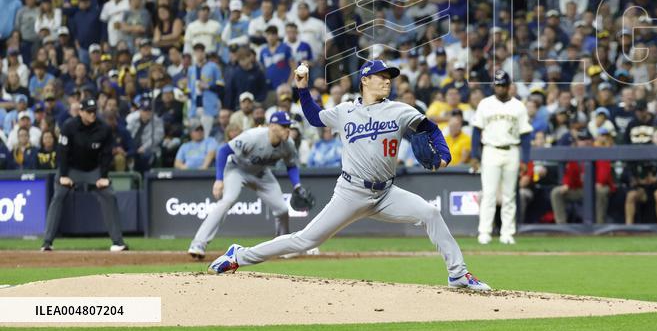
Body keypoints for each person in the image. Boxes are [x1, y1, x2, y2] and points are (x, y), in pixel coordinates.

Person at [207, 59, 491, 292]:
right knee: (306, 240)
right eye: (381, 76)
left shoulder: (400, 110)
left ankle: (458, 274)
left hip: (386, 193)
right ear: (365, 80)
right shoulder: (345, 111)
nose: (387, 81)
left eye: (389, 77)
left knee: (430, 213)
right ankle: (239, 255)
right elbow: (315, 117)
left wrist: (444, 155)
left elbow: (430, 128)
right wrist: (302, 89)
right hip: (351, 192)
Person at [188, 111, 303, 259]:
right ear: (272, 126)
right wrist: (219, 179)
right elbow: (223, 151)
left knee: (282, 209)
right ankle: (198, 243)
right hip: (237, 169)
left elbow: (291, 166)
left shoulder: (288, 144)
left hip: (261, 172)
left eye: (289, 126)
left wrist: (297, 185)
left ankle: (283, 246)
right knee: (227, 201)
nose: (288, 130)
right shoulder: (253, 136)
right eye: (284, 126)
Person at [41, 98, 128, 252]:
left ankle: (118, 242)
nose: (92, 114)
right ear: (81, 112)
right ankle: (47, 242)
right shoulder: (69, 126)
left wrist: (103, 176)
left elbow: (107, 155)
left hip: (93, 170)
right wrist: (63, 175)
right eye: (89, 111)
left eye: (94, 111)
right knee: (59, 195)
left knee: (109, 195)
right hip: (71, 169)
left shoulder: (104, 128)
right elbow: (62, 152)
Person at [471, 69, 531, 245]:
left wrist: (525, 159)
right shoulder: (485, 104)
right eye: (497, 85)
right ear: (494, 86)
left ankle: (507, 232)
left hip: (512, 150)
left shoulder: (518, 106)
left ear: (509, 86)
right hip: (490, 150)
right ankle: (484, 231)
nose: (500, 88)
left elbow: (525, 135)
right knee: (488, 194)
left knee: (509, 195)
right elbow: (476, 131)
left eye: (503, 85)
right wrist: (474, 155)